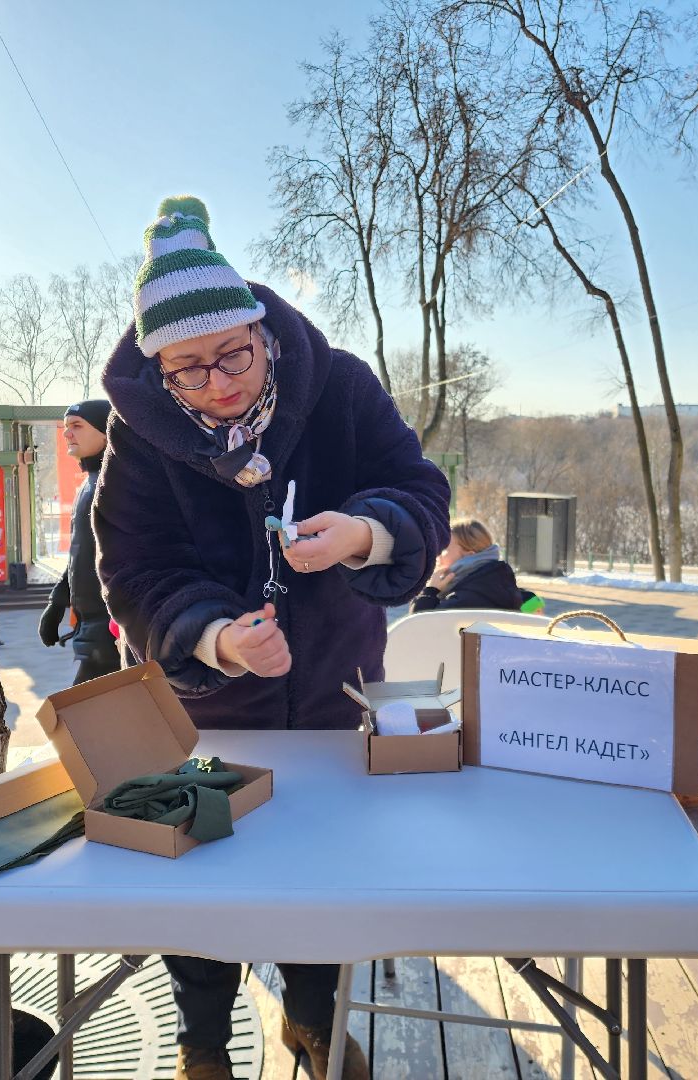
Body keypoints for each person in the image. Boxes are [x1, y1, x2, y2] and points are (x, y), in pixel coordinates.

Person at [94, 196, 449, 1080]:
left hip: (337, 695)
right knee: (199, 881)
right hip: (209, 720)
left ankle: (313, 1018)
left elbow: (419, 490)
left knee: (327, 881)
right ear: (157, 368)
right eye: (188, 369)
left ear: (265, 332)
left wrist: (363, 535)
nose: (218, 384)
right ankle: (202, 1039)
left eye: (233, 356)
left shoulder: (343, 388)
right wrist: (213, 637)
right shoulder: (139, 435)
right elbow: (132, 570)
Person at [38, 400, 120, 685]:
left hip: (111, 629)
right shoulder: (89, 484)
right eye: (66, 427)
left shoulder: (118, 484)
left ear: (106, 430)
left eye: (77, 426)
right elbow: (81, 555)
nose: (66, 434)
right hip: (91, 627)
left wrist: (115, 625)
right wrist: (57, 603)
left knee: (80, 721)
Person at [410, 518, 527, 612]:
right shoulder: (498, 583)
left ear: (469, 555)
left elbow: (418, 627)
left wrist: (430, 591)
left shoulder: (464, 599)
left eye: (444, 549)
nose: (438, 555)